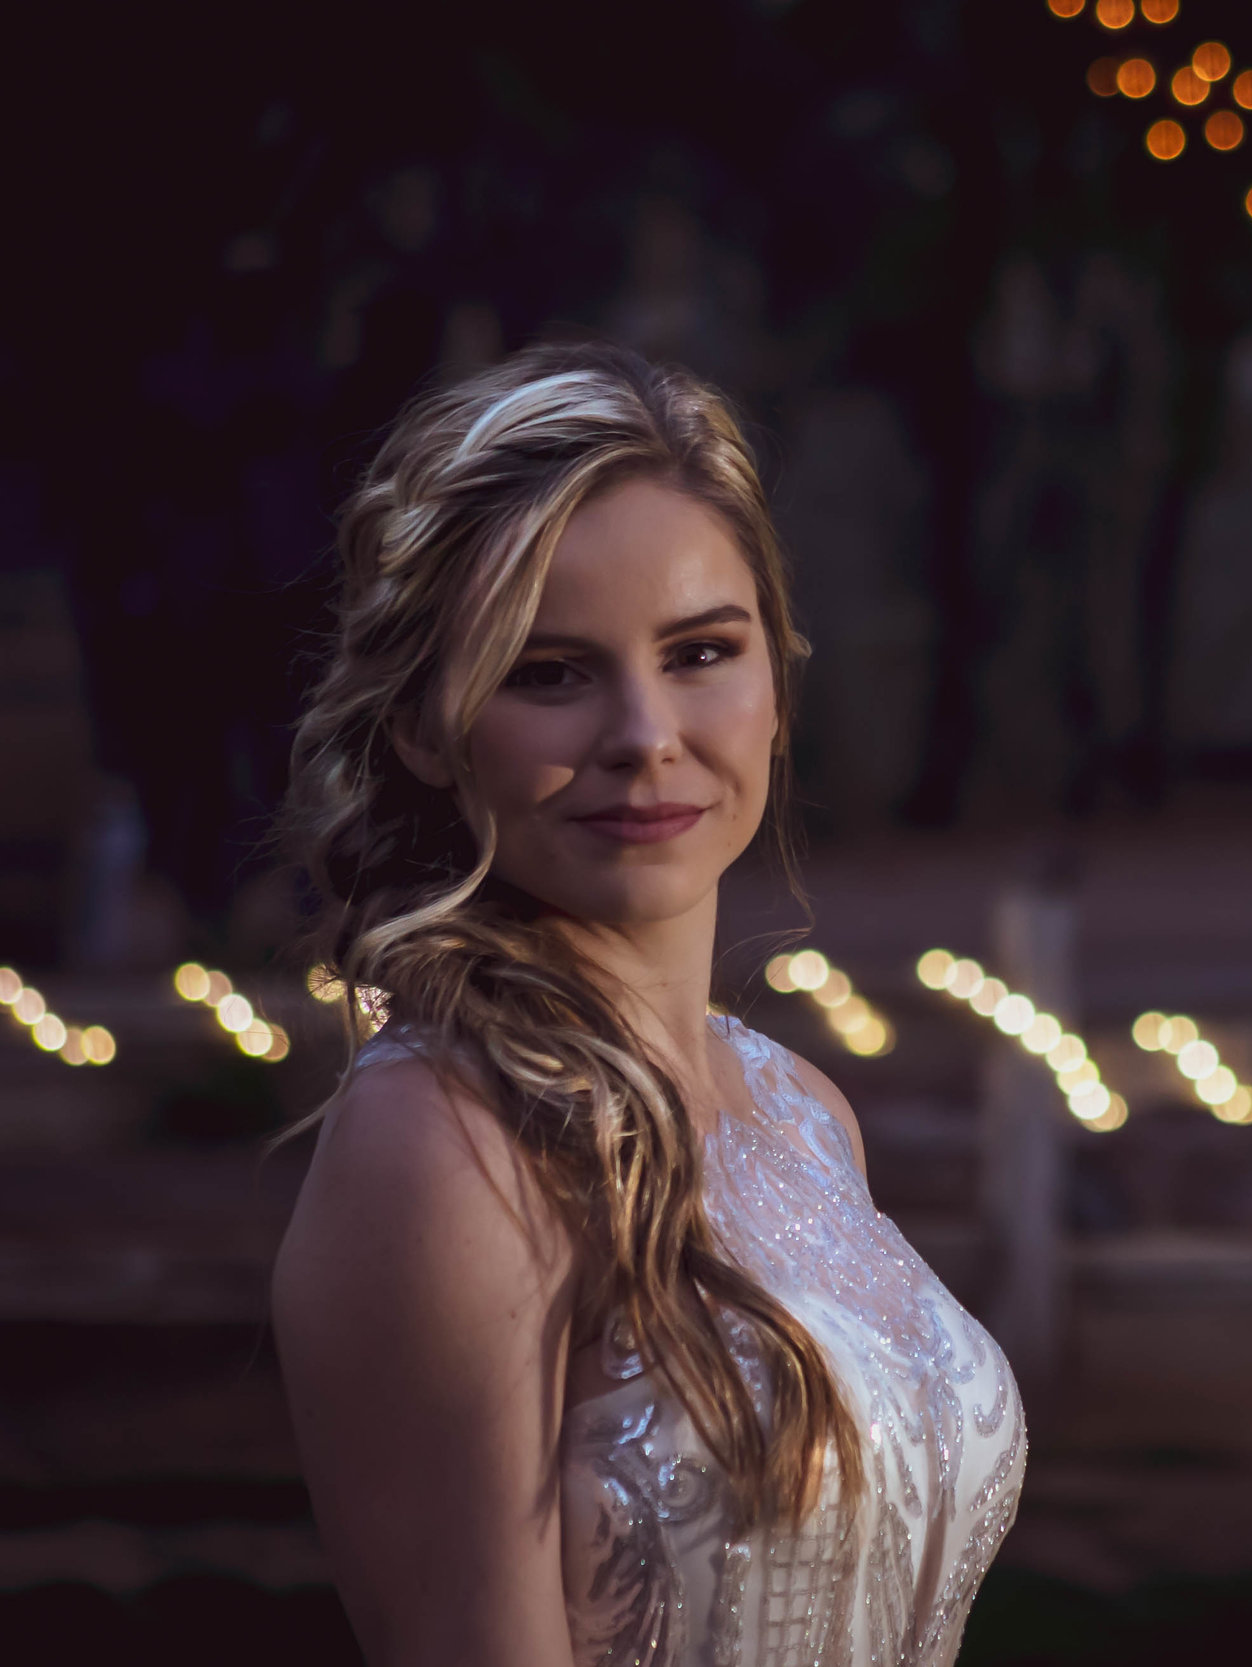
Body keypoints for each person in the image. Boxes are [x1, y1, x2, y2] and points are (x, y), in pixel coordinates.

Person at [272, 342, 1023, 1667]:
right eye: (550, 672)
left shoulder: (802, 1110)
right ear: (428, 727)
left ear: (776, 689)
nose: (645, 734)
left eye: (699, 652)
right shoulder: (443, 1149)